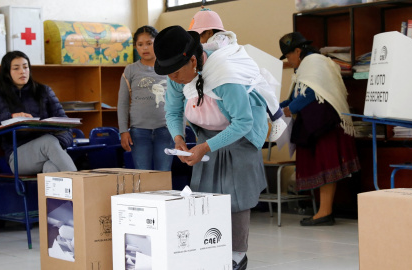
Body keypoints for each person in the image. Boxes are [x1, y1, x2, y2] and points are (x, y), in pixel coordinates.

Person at [153, 25, 268, 270]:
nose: (172, 80)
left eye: (175, 74)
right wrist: (178, 139)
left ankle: (238, 254)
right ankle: (210, 247)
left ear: (193, 61)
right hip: (207, 134)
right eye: (169, 75)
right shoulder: (177, 75)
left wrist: (206, 147)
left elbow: (244, 122)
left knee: (236, 194)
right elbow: (172, 111)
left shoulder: (225, 75)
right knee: (205, 192)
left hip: (240, 134)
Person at [278, 32, 361, 226]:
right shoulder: (306, 67)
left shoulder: (314, 62)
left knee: (326, 166)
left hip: (326, 126)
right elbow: (295, 95)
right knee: (321, 167)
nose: (289, 61)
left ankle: (325, 212)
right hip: (316, 126)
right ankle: (324, 211)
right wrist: (275, 107)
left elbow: (310, 94)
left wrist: (289, 109)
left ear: (298, 51)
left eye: (289, 56)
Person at [188, 7, 285, 142]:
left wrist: (195, 48)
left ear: (210, 32)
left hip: (247, 72)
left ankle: (278, 120)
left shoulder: (221, 39)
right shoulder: (214, 44)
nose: (198, 42)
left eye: (198, 36)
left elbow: (213, 47)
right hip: (241, 74)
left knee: (265, 94)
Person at [0, 50, 77, 174]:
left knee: (51, 167)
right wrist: (9, 117)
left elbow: (65, 125)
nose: (22, 71)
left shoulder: (44, 91)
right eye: (16, 68)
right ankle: (83, 189)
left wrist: (59, 143)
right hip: (17, 157)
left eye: (25, 67)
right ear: (7, 73)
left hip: (50, 148)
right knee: (48, 142)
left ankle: (58, 193)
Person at [117, 25, 174, 171]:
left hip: (166, 130)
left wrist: (180, 131)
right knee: (143, 175)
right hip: (139, 133)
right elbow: (122, 103)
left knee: (163, 174)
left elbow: (179, 99)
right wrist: (123, 131)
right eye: (140, 44)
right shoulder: (130, 70)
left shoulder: (168, 68)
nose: (145, 48)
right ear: (136, 47)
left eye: (149, 43)